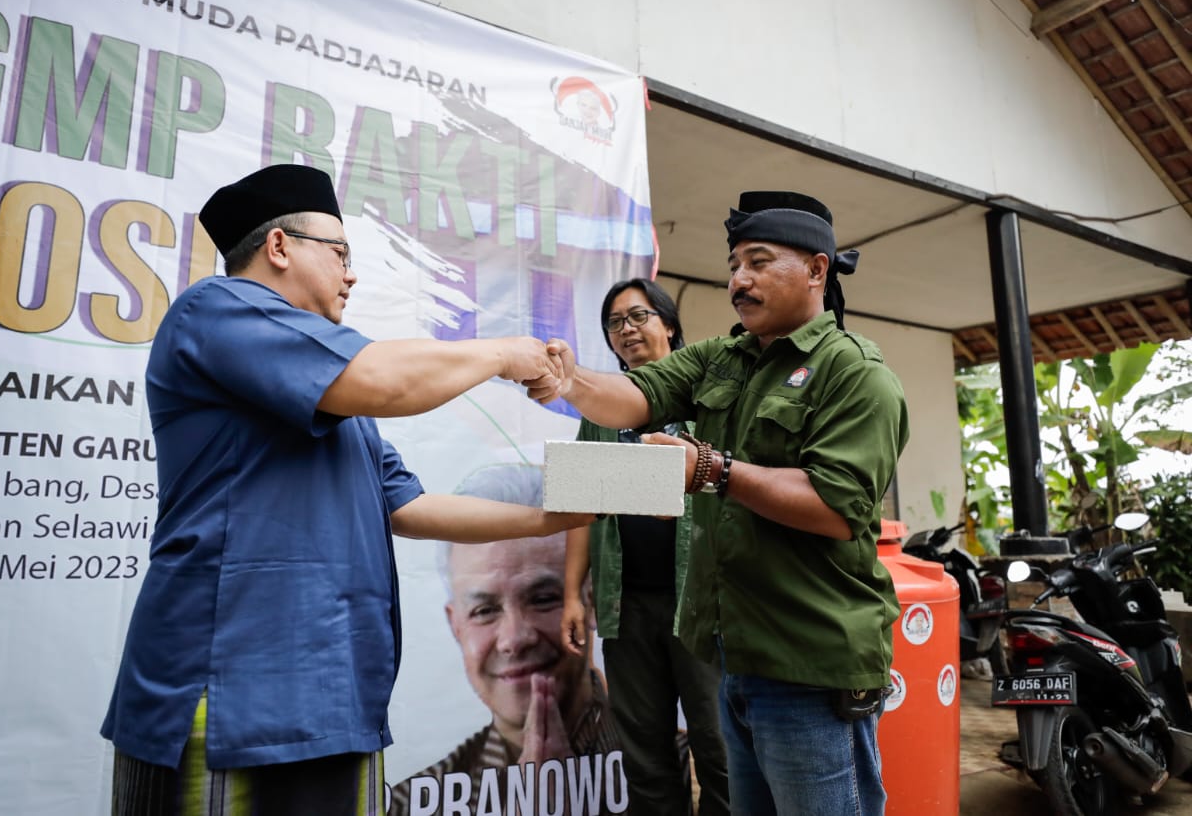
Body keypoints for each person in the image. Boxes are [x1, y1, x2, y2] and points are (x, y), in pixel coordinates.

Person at [99, 164, 595, 816]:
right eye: (340, 255)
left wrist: (604, 492)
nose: (352, 274)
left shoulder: (336, 396)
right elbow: (384, 381)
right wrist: (504, 354)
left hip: (334, 700)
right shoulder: (215, 310)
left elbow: (412, 507)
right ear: (279, 247)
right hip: (227, 698)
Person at [534, 191, 910, 816]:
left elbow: (838, 507)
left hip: (808, 666)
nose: (739, 280)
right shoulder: (722, 360)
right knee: (672, 772)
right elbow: (632, 400)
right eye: (734, 264)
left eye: (759, 262)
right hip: (727, 649)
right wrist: (568, 381)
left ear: (817, 270)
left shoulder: (855, 373)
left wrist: (710, 469)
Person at [561, 279, 730, 816]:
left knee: (720, 747)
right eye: (615, 323)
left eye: (638, 316)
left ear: (669, 324)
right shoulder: (602, 411)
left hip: (704, 606)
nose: (627, 330)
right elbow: (580, 506)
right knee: (645, 754)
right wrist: (571, 594)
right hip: (625, 606)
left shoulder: (710, 403)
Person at [389, 464, 628, 816]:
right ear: (456, 626)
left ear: (590, 600)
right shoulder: (406, 804)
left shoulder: (674, 767)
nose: (514, 639)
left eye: (544, 598)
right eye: (484, 610)